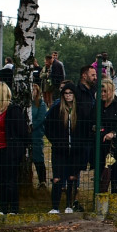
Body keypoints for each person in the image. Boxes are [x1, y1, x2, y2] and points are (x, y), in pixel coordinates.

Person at [45, 82, 90, 213]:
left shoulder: (80, 111)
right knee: (57, 177)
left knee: (72, 177)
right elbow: (48, 127)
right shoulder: (56, 109)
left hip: (75, 151)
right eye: (66, 93)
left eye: (70, 93)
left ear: (74, 95)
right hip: (59, 150)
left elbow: (85, 130)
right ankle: (55, 206)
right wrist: (55, 141)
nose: (68, 96)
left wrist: (80, 144)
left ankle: (69, 205)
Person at [0, 82, 28, 215]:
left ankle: (13, 209)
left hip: (9, 150)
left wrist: (18, 150)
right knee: (0, 180)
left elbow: (23, 132)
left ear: (0, 94)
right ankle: (3, 208)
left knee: (11, 180)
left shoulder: (13, 110)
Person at [29, 84, 48, 188]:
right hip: (26, 135)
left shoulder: (41, 104)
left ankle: (42, 180)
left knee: (38, 156)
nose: (32, 91)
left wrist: (31, 127)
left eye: (34, 90)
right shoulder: (26, 103)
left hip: (36, 134)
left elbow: (41, 119)